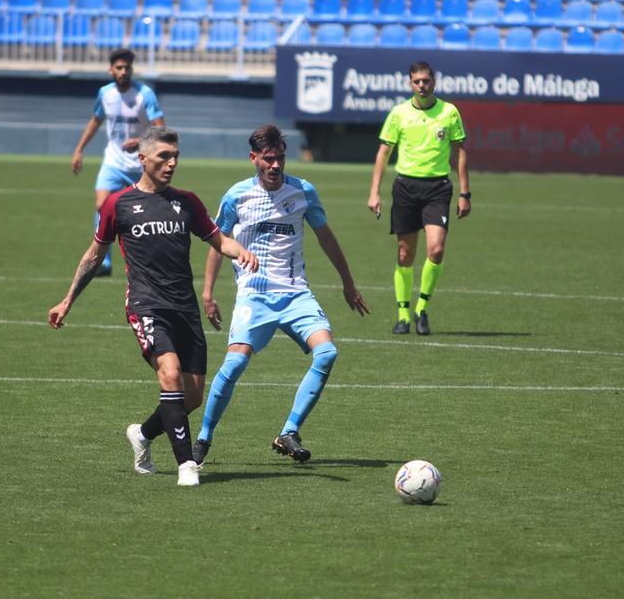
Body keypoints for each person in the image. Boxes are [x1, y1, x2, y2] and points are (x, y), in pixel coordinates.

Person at [48, 127, 257, 487]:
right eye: (164, 156)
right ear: (142, 159)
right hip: (146, 305)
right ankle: (187, 465)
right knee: (170, 375)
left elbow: (217, 239)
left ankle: (142, 435)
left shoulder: (187, 202)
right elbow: (95, 255)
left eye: (175, 156)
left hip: (185, 310)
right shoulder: (118, 204)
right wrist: (68, 299)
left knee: (190, 397)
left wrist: (241, 251)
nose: (172, 163)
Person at [194, 124, 368, 465]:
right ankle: (203, 439)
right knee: (234, 363)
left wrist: (348, 282)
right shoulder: (236, 196)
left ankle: (289, 431)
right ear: (254, 158)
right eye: (269, 159)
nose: (275, 166)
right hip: (254, 295)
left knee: (327, 352)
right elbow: (217, 243)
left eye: (280, 159)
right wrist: (208, 292)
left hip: (295, 294)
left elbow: (326, 238)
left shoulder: (303, 192)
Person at [367, 61, 471, 336]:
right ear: (410, 84)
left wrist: (464, 192)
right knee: (405, 254)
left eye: (426, 81)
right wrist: (374, 192)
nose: (422, 86)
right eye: (417, 81)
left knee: (435, 249)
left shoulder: (449, 112)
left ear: (434, 82)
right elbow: (383, 153)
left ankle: (421, 309)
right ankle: (402, 315)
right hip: (405, 189)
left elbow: (460, 152)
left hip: (437, 188)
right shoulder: (399, 113)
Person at [70, 48, 165, 277]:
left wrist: (140, 141)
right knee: (102, 204)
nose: (123, 72)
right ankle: (102, 261)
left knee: (149, 213)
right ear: (111, 69)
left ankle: (149, 261)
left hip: (141, 163)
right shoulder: (105, 94)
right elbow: (96, 120)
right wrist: (79, 150)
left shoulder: (145, 94)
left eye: (127, 68)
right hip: (113, 160)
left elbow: (161, 128)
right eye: (119, 68)